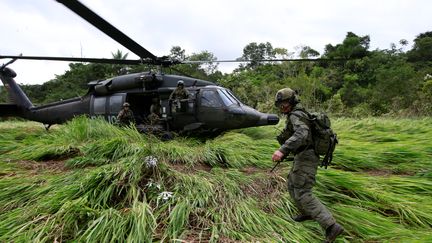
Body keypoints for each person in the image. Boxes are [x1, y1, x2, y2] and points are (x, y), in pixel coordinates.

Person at [272, 88, 343, 243]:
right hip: (302, 155)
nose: (282, 107)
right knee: (292, 183)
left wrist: (282, 150)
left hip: (307, 157)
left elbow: (301, 134)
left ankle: (331, 226)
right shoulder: (295, 114)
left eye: (284, 103)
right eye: (280, 105)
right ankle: (307, 212)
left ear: (291, 101)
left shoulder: (297, 115)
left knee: (303, 192)